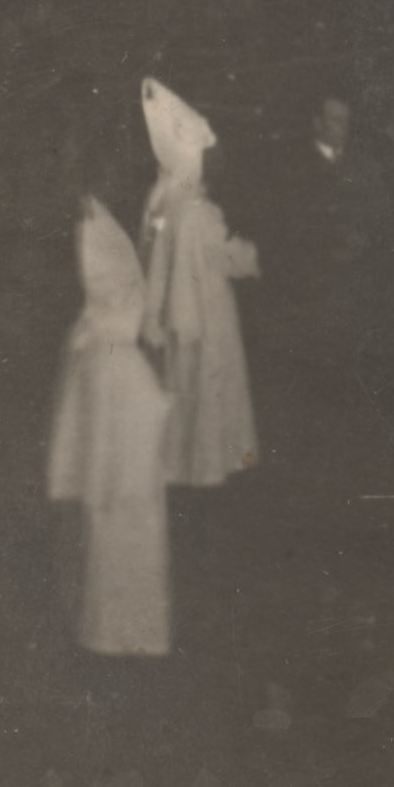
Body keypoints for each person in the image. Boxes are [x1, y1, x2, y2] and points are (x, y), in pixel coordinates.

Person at [48, 196, 174, 660]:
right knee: (109, 504)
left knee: (118, 505)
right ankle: (108, 629)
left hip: (116, 373)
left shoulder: (107, 218)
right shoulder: (93, 219)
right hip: (112, 372)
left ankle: (120, 629)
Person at [135, 79, 260, 486]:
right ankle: (211, 466)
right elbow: (231, 258)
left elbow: (156, 269)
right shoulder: (203, 216)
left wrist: (152, 315)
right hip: (210, 317)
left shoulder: (169, 209)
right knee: (212, 388)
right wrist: (252, 255)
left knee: (186, 388)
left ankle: (185, 464)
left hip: (180, 318)